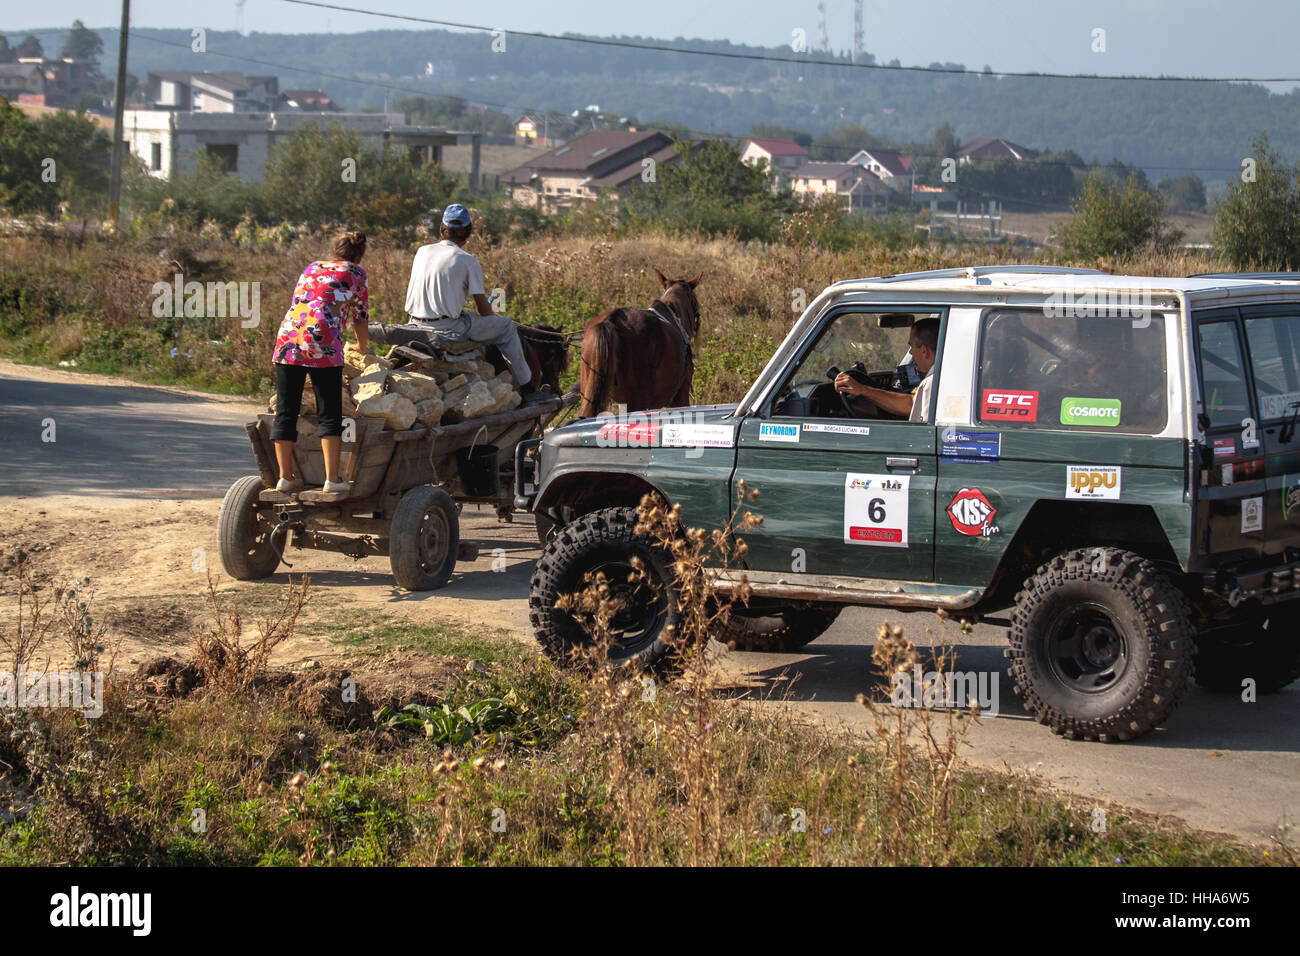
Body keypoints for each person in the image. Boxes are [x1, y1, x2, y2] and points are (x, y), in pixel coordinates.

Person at [370, 203, 549, 406]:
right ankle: (528, 388)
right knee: (506, 326)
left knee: (468, 318)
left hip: (413, 322)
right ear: (469, 233)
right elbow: (483, 310)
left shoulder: (422, 251)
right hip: (447, 328)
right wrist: (493, 317)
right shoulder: (468, 261)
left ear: (441, 229)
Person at [269, 230, 371, 495]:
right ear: (359, 255)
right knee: (329, 411)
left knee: (286, 410)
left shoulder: (313, 266)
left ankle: (285, 477)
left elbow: (303, 301)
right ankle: (332, 479)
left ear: (335, 250)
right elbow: (360, 316)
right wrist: (362, 349)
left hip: (288, 339)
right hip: (322, 342)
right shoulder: (357, 273)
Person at [834, 317, 939, 422]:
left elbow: (911, 405)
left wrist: (863, 390)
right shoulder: (943, 374)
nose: (911, 353)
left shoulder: (933, 381)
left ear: (924, 351)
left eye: (911, 347)